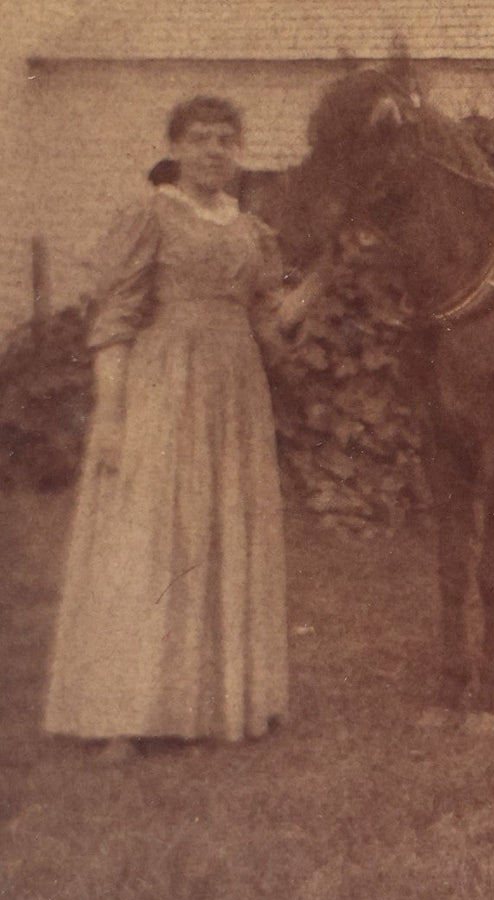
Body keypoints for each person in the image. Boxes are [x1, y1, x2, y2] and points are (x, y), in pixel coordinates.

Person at [42, 96, 288, 758]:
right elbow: (114, 321)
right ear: (176, 149)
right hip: (162, 385)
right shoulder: (148, 215)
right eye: (200, 139)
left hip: (235, 392)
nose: (214, 151)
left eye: (225, 140)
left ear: (238, 151)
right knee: (148, 535)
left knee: (221, 530)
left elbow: (272, 326)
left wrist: (328, 275)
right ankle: (123, 712)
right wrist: (113, 415)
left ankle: (218, 700)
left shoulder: (250, 231)